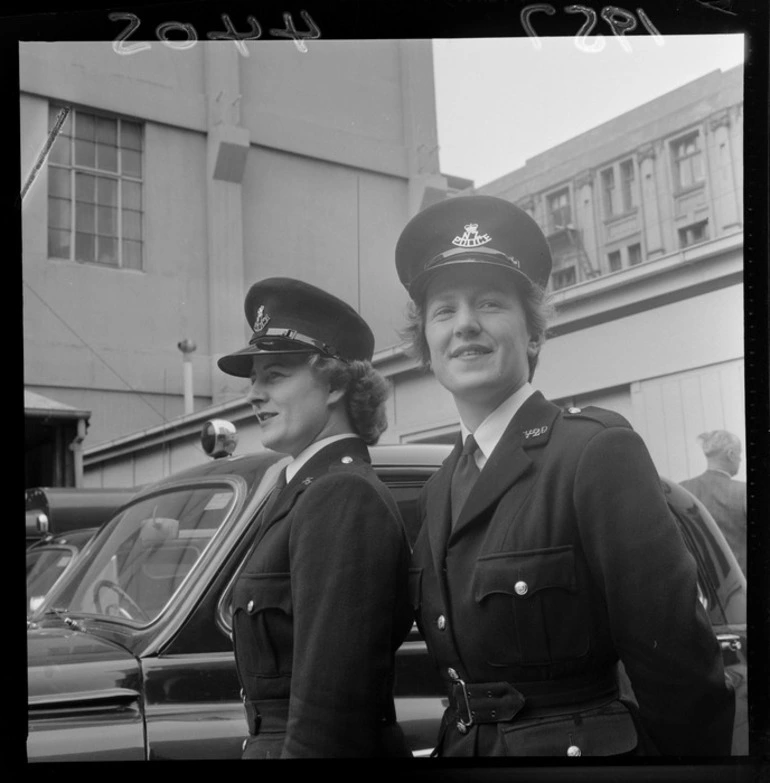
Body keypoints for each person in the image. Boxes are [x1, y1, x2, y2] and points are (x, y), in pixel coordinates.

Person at [395, 195, 735, 757]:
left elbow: (681, 676)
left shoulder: (596, 453)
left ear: (533, 333)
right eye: (443, 311)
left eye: (489, 304)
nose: (466, 326)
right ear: (426, 348)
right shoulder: (437, 491)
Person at [217, 277, 414, 758]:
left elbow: (329, 720)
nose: (254, 395)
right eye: (253, 380)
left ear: (336, 384)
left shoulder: (340, 495)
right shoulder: (305, 488)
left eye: (275, 375)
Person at [681, 430, 747, 575]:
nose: (741, 460)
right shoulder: (743, 492)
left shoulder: (682, 489)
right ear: (731, 454)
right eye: (740, 454)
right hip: (739, 582)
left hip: (700, 582)